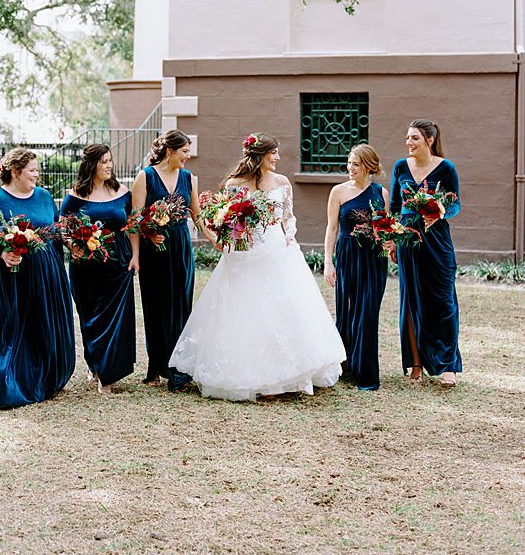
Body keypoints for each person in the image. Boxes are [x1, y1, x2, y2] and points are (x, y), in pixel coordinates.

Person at [169, 133, 346, 401]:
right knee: (246, 310)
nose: (277, 158)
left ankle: (291, 374)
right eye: (273, 153)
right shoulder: (234, 183)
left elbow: (288, 217)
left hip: (278, 250)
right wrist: (225, 238)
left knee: (285, 309)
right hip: (245, 252)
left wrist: (289, 237)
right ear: (260, 154)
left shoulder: (283, 182)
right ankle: (254, 378)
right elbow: (223, 218)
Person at [0, 147, 75, 411]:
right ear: (15, 172)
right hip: (7, 278)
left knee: (41, 324)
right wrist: (1, 253)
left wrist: (75, 245)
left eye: (37, 170)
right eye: (32, 170)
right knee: (11, 327)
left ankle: (44, 377)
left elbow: (55, 230)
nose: (37, 175)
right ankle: (12, 383)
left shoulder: (44, 196)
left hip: (44, 273)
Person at [129, 130, 215, 392]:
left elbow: (197, 216)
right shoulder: (145, 176)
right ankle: (156, 367)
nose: (188, 157)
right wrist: (142, 242)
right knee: (156, 307)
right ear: (170, 151)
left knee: (180, 306)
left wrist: (215, 238)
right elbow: (134, 219)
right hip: (154, 251)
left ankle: (178, 368)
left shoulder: (188, 178)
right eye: (185, 151)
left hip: (180, 248)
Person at [388, 119, 462, 387]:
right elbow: (395, 206)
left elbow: (455, 204)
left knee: (443, 301)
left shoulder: (446, 168)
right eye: (407, 138)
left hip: (436, 240)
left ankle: (449, 366)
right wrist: (393, 239)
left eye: (415, 138)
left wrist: (440, 212)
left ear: (429, 140)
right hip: (408, 239)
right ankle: (416, 364)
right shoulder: (400, 167)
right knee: (410, 301)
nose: (409, 143)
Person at [60, 143, 135, 395]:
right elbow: (61, 227)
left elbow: (131, 226)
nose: (109, 166)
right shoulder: (74, 195)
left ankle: (108, 374)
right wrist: (72, 246)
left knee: (115, 319)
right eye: (103, 161)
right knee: (90, 317)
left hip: (118, 263)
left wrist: (136, 256)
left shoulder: (122, 192)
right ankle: (95, 365)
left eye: (110, 161)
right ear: (91, 165)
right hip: (86, 266)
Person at [323, 144, 388, 390]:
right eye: (349, 163)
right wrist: (329, 262)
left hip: (374, 260)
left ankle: (366, 373)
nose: (350, 168)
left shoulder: (381, 193)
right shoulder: (338, 192)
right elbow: (332, 229)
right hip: (348, 256)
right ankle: (345, 364)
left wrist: (387, 251)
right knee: (347, 312)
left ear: (369, 166)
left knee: (368, 313)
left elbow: (384, 230)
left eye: (356, 164)